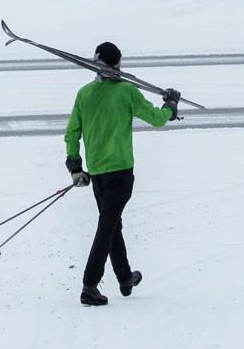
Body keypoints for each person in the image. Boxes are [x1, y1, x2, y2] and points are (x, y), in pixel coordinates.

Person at [64, 41, 181, 306]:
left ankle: (125, 278)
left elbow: (72, 132)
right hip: (120, 174)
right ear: (116, 64)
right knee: (107, 227)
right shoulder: (128, 91)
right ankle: (89, 285)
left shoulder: (84, 93)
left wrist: (75, 167)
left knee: (112, 223)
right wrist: (171, 105)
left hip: (97, 175)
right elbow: (157, 118)